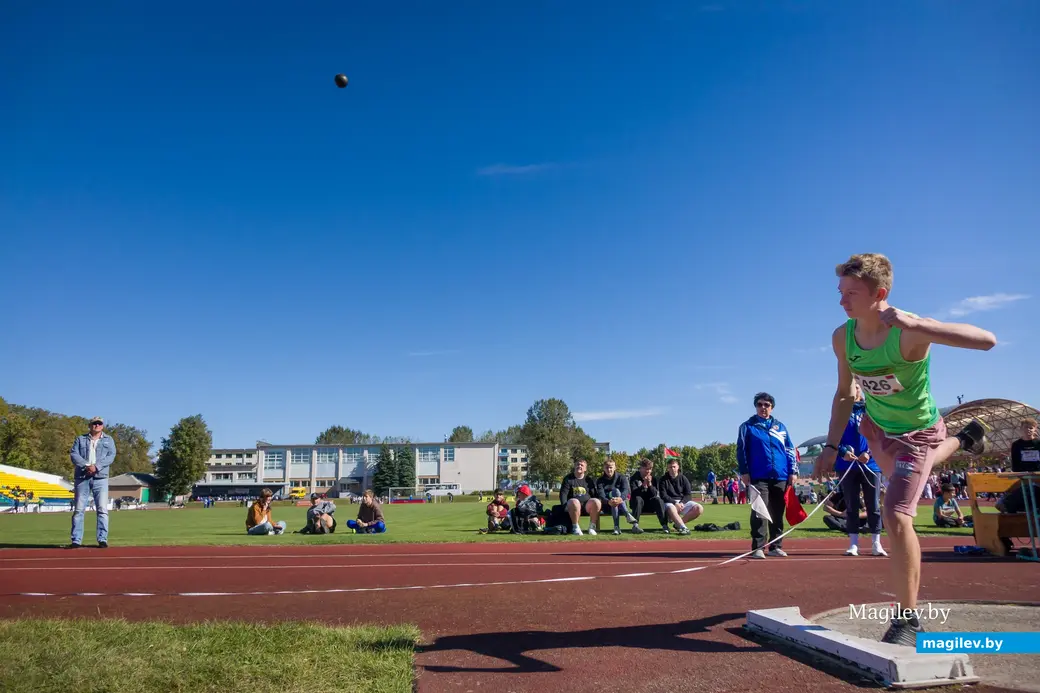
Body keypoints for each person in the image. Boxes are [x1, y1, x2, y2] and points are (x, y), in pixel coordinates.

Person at [813, 253, 993, 646]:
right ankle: (964, 440)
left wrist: (921, 323)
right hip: (877, 431)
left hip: (917, 434)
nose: (842, 302)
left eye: (852, 293)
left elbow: (987, 341)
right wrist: (830, 444)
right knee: (903, 484)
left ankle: (908, 620)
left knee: (896, 514)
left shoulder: (908, 331)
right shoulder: (842, 337)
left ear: (881, 294)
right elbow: (845, 393)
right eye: (840, 292)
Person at [737, 392, 798, 559]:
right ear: (756, 406)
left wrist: (793, 471)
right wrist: (744, 471)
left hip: (780, 475)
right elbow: (741, 451)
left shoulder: (781, 427)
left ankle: (775, 546)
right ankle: (757, 547)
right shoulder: (747, 427)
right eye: (760, 404)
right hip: (758, 475)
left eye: (767, 405)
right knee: (760, 512)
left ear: (772, 407)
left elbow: (790, 450)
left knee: (777, 513)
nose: (763, 407)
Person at [836, 382, 887, 557]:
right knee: (852, 504)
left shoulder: (871, 410)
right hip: (847, 465)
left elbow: (881, 435)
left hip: (870, 464)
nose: (854, 391)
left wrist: (869, 453)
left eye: (856, 388)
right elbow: (833, 436)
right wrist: (843, 451)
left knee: (873, 504)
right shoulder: (841, 411)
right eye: (851, 388)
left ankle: (876, 543)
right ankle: (853, 544)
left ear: (861, 390)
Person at [68, 416, 117, 548]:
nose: (97, 425)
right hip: (82, 477)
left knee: (102, 509)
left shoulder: (109, 440)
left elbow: (111, 456)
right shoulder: (80, 439)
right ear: (90, 425)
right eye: (94, 423)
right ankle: (76, 540)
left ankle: (102, 539)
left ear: (102, 426)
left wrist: (97, 467)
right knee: (79, 509)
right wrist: (86, 465)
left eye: (99, 423)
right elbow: (74, 454)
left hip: (100, 478)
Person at [996, 418, 1040, 516]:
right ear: (1021, 429)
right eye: (1026, 428)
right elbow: (1015, 464)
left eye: (1031, 428)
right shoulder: (1016, 445)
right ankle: (1008, 504)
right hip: (1022, 477)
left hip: (1037, 477)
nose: (1028, 430)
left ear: (1035, 429)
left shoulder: (1038, 444)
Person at [594, 458, 638, 535]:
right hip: (607, 505)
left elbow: (626, 490)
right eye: (607, 467)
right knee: (615, 493)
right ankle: (627, 514)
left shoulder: (622, 477)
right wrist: (608, 501)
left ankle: (616, 528)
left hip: (621, 504)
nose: (609, 469)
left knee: (616, 493)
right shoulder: (600, 480)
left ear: (615, 468)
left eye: (611, 467)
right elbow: (601, 494)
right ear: (604, 468)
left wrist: (620, 498)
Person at [658, 458, 702, 534]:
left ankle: (677, 524)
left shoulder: (683, 479)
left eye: (674, 466)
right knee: (671, 508)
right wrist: (675, 503)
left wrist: (682, 503)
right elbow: (663, 495)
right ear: (667, 468)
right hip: (670, 502)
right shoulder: (663, 480)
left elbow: (688, 494)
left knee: (699, 508)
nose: (672, 469)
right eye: (670, 467)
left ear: (678, 467)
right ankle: (683, 528)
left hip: (682, 502)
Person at [559, 459, 600, 536]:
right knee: (574, 501)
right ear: (574, 466)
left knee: (596, 501)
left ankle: (592, 527)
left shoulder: (589, 480)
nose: (579, 466)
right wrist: (564, 506)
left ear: (585, 469)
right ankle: (576, 527)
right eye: (578, 464)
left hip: (586, 506)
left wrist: (598, 505)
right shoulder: (568, 479)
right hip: (573, 507)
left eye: (582, 465)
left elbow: (594, 494)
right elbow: (563, 494)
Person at [629, 457, 665, 532]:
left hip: (649, 504)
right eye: (646, 469)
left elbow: (654, 494)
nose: (648, 471)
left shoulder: (654, 479)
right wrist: (643, 484)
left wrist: (650, 484)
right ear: (641, 468)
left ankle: (664, 525)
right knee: (638, 499)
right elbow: (634, 493)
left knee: (658, 500)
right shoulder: (634, 478)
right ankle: (635, 526)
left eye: (650, 469)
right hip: (638, 505)